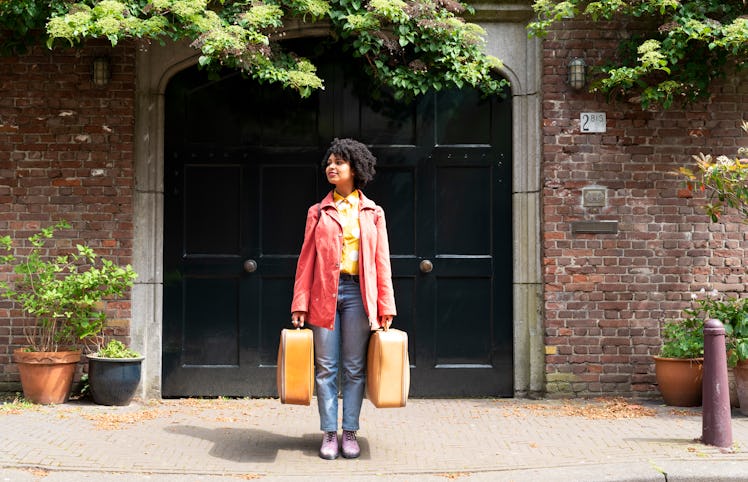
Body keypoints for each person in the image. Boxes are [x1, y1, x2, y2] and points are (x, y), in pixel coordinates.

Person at [291, 138, 397, 460]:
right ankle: (328, 433)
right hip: (324, 293)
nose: (331, 167)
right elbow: (306, 259)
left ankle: (349, 430)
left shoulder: (372, 212)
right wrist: (300, 303)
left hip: (357, 295)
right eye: (329, 162)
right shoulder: (318, 212)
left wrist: (385, 305)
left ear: (355, 168)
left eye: (339, 162)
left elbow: (382, 262)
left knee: (353, 368)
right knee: (325, 368)